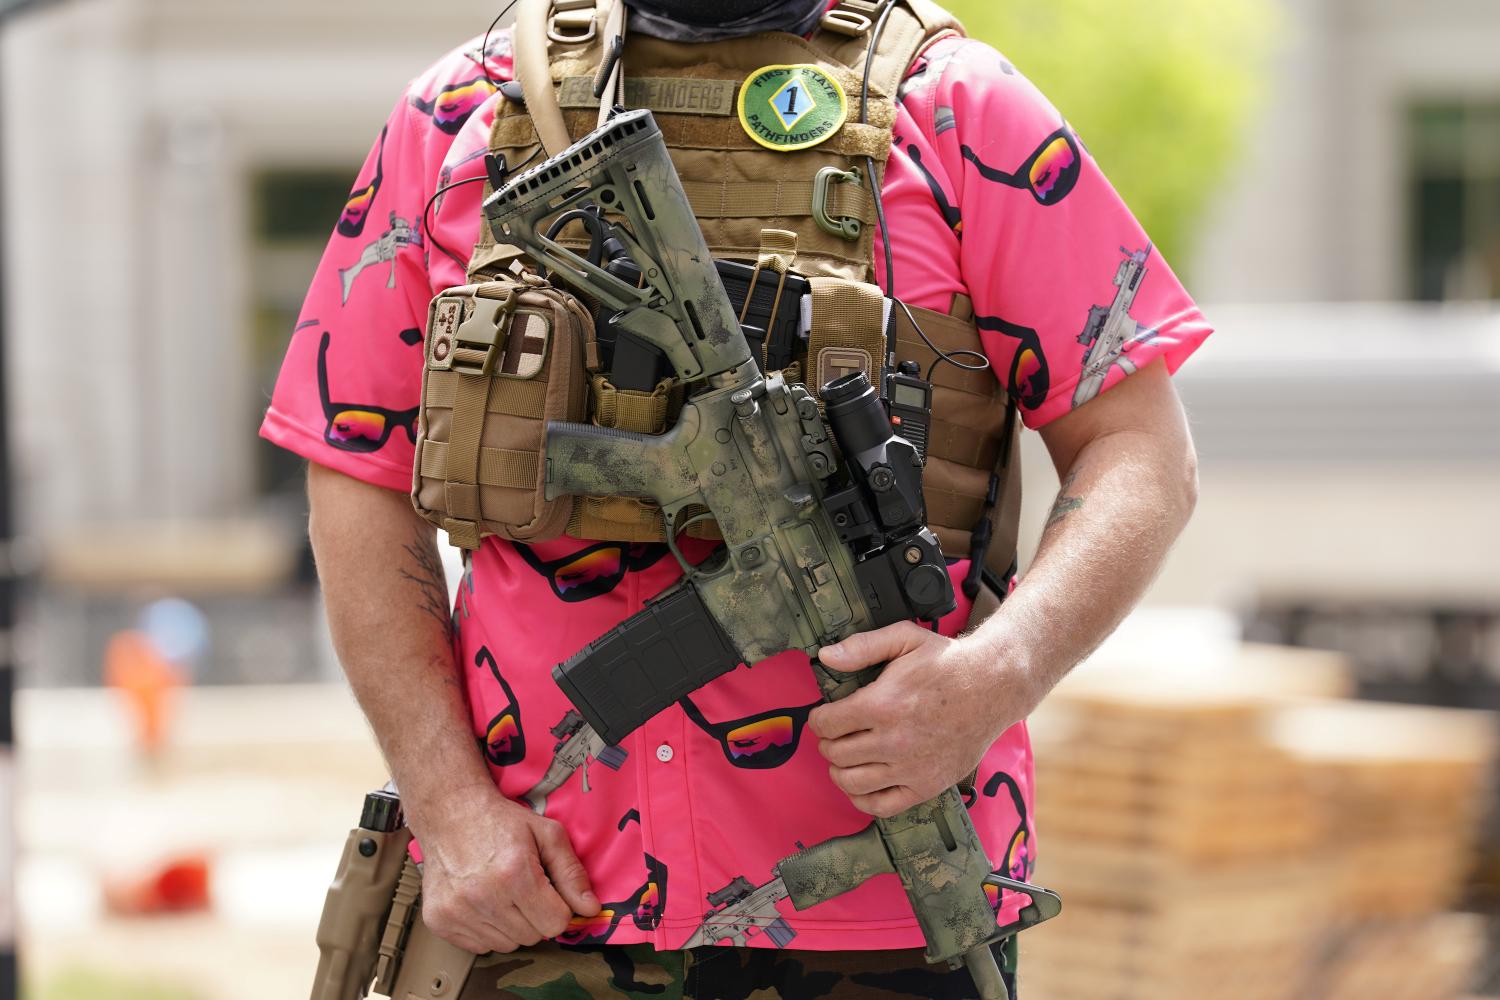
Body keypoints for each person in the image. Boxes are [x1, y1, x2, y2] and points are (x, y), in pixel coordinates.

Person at [261, 0, 1208, 995]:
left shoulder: (960, 111)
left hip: (889, 910)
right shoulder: (460, 111)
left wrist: (997, 672)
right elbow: (358, 467)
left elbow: (1140, 447)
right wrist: (448, 809)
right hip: (537, 900)